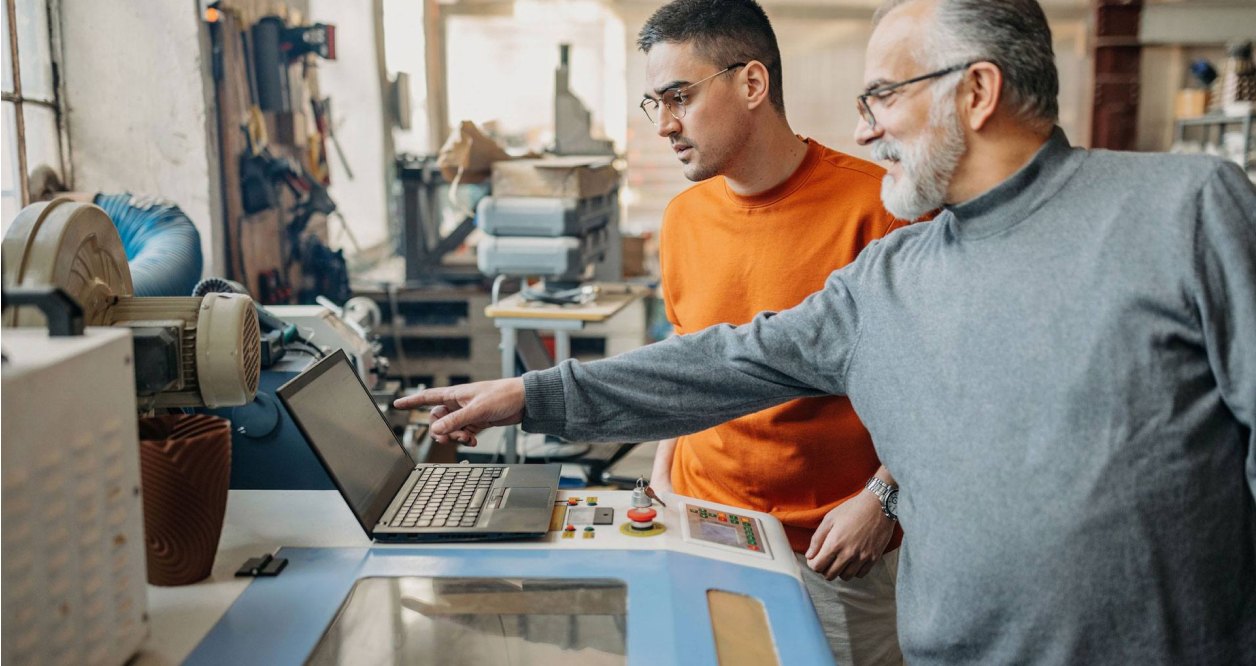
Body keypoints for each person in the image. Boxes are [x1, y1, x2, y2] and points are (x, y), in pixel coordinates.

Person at [398, 0, 1256, 661]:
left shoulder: (1183, 210)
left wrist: (879, 499)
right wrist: (528, 394)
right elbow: (722, 361)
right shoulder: (889, 282)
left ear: (978, 91)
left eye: (882, 95)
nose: (862, 128)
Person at [635, 1, 904, 661]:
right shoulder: (683, 218)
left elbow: (946, 386)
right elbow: (687, 362)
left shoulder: (881, 209)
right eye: (655, 103)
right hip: (701, 524)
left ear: (752, 83)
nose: (664, 124)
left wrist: (884, 500)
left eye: (679, 97)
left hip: (833, 546)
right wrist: (662, 477)